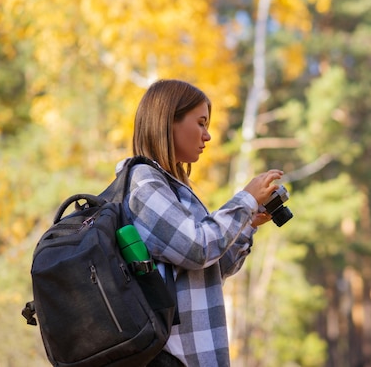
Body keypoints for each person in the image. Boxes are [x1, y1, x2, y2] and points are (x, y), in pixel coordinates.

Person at [119, 79, 283, 366]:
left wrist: (247, 225)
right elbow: (196, 248)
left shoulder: (172, 189)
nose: (207, 135)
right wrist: (244, 199)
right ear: (169, 121)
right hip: (173, 358)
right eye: (201, 123)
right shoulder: (143, 183)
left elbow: (211, 268)